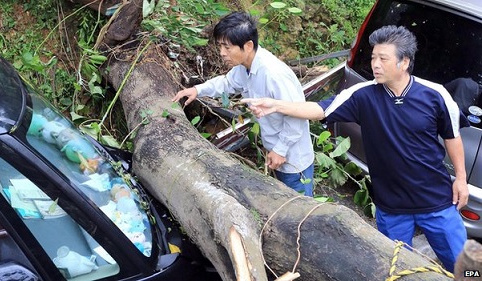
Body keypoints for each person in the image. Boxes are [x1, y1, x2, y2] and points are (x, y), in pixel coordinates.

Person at [242, 25, 469, 272]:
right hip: (391, 207)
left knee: (467, 269)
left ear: (404, 62)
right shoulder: (363, 95)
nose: (375, 65)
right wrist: (276, 105)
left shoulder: (435, 94)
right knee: (398, 271)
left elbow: (452, 136)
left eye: (383, 59)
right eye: (373, 58)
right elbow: (320, 110)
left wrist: (461, 178)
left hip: (436, 201)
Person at [172, 12, 315, 196]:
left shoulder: (274, 74)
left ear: (248, 46)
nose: (222, 53)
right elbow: (227, 83)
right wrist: (197, 90)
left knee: (300, 210)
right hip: (275, 151)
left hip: (294, 160)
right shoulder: (244, 67)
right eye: (220, 46)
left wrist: (280, 150)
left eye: (227, 47)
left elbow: (297, 116)